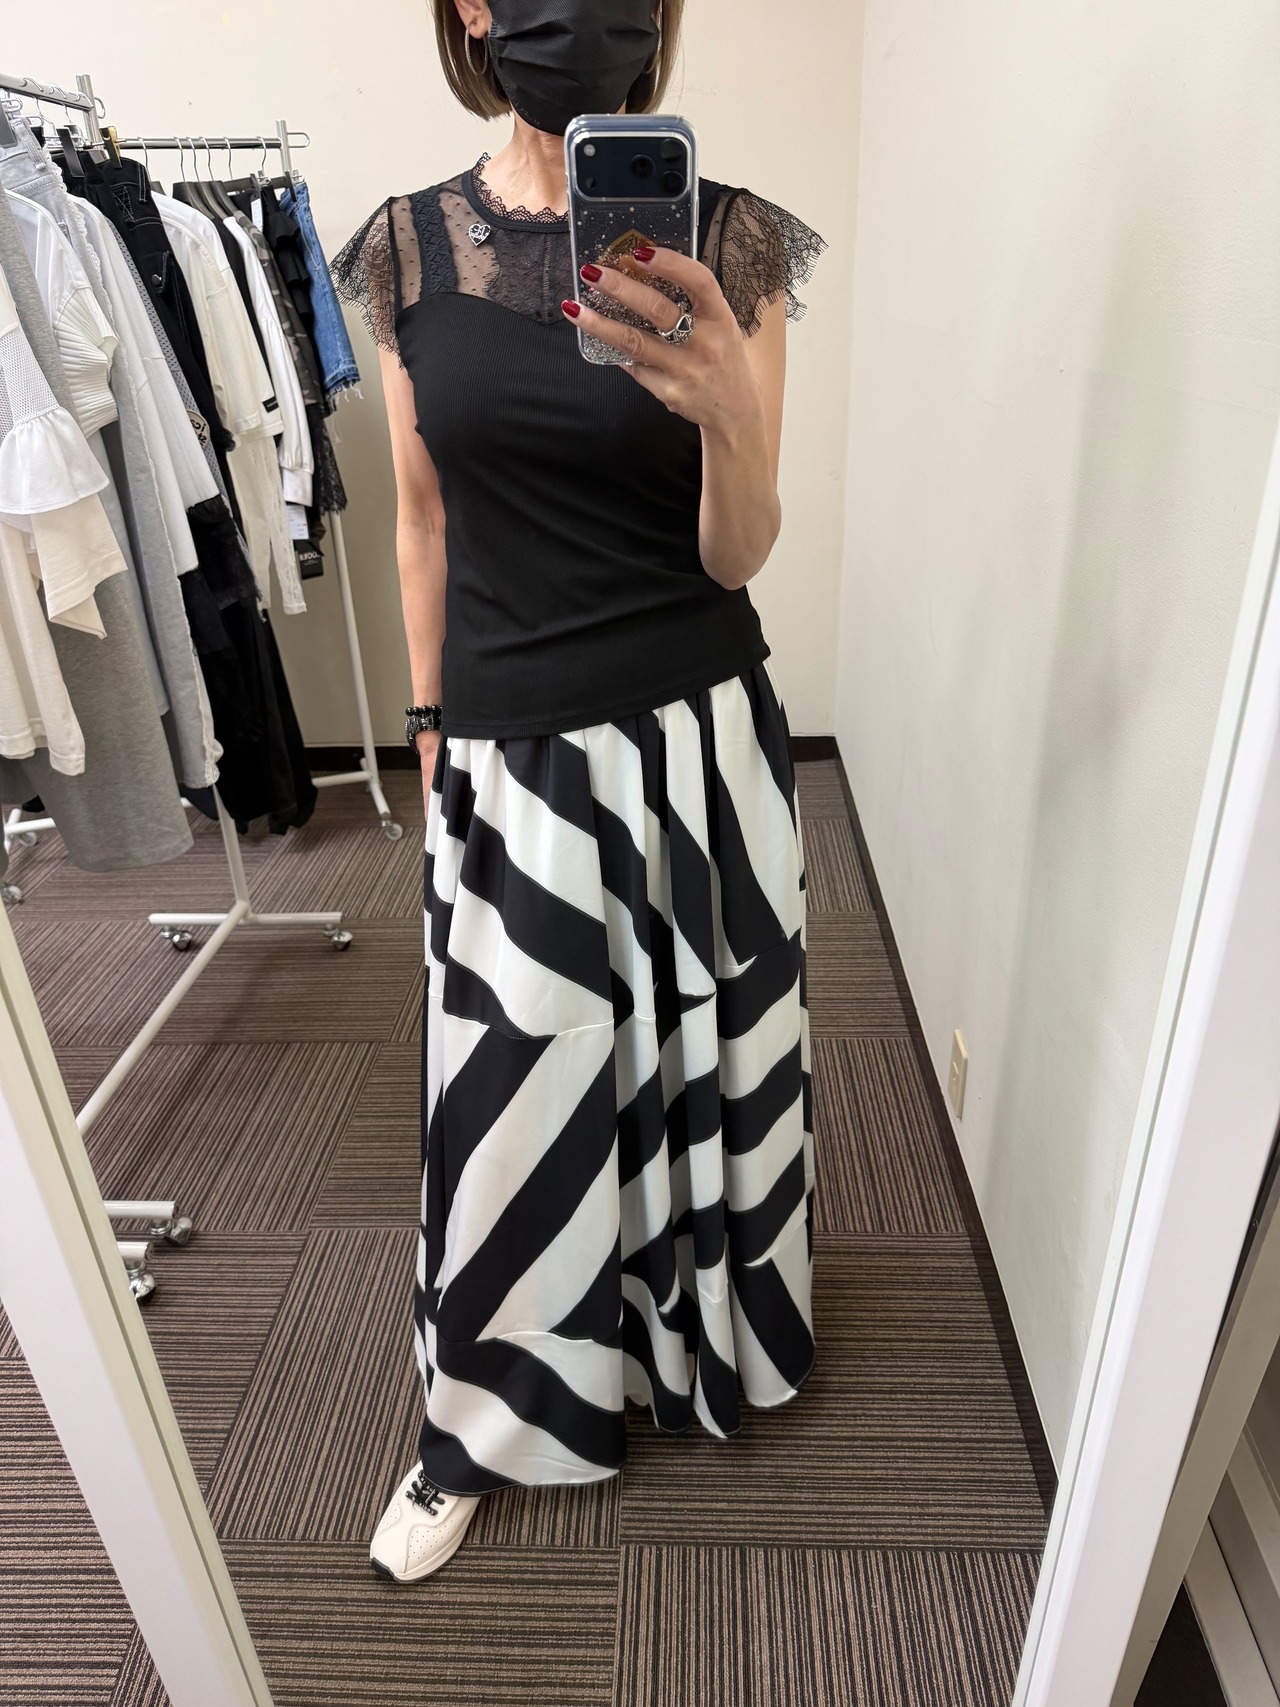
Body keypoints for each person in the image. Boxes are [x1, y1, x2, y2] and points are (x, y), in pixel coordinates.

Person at [333, 0, 825, 1583]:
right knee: (508, 1098)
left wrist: (726, 402)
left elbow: (740, 551)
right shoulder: (404, 251)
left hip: (698, 738)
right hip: (511, 747)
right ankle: (476, 1425)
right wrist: (427, 719)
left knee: (698, 1064)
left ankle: (688, 1348)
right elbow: (421, 516)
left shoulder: (734, 238)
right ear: (472, 9)